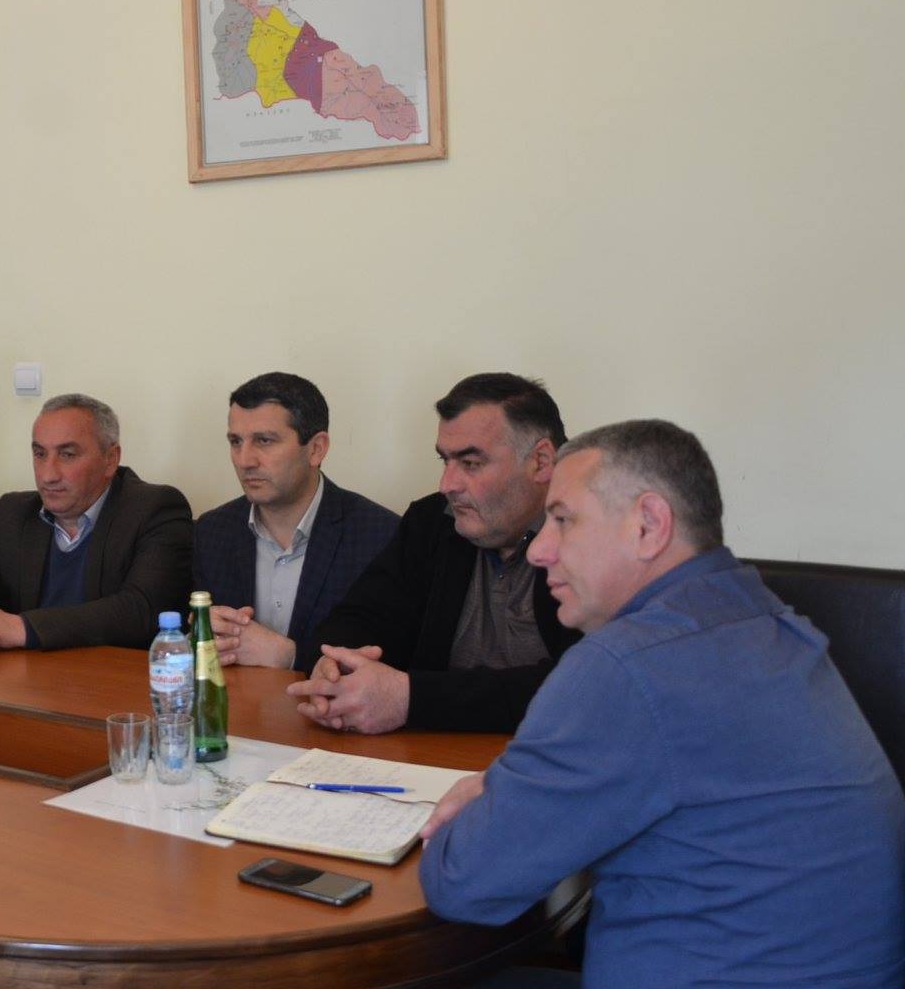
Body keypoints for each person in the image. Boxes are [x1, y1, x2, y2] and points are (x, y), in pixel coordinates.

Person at [420, 420, 905, 986]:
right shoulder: (762, 617)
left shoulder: (628, 664)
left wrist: (489, 797)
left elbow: (463, 883)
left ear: (648, 525)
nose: (541, 550)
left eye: (563, 519)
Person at [289, 373, 578, 734]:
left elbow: (585, 687)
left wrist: (412, 698)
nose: (447, 485)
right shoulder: (433, 522)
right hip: (430, 754)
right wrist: (334, 666)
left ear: (541, 461)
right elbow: (359, 618)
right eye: (445, 461)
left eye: (470, 463)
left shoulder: (595, 539)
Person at [0, 394, 191, 651]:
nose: (48, 475)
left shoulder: (154, 509)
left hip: (114, 673)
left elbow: (142, 610)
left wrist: (18, 628)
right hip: (27, 673)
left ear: (110, 459)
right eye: (40, 454)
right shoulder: (15, 513)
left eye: (67, 455)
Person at [194, 373, 398, 673]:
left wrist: (291, 656)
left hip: (325, 702)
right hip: (236, 701)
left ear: (316, 449)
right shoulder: (211, 531)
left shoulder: (380, 536)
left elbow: (391, 660)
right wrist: (200, 631)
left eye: (264, 441)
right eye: (236, 441)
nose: (245, 460)